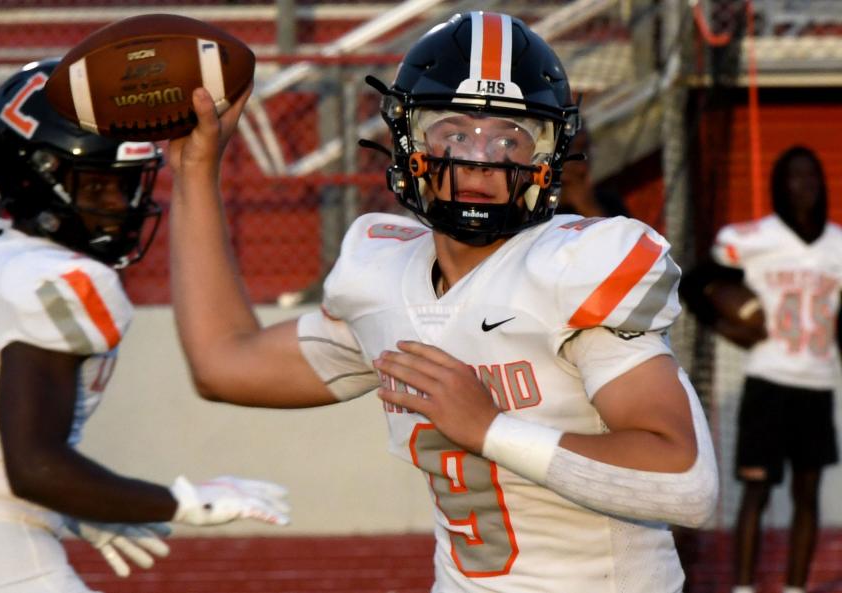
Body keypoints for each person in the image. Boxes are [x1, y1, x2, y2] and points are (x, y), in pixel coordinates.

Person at [168, 12, 718, 592]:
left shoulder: (571, 271)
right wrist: (195, 172)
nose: (478, 158)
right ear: (406, 141)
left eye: (509, 137)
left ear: (547, 155)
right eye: (453, 132)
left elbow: (685, 483)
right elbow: (224, 363)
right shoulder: (383, 279)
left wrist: (490, 430)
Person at [0, 59, 289, 593]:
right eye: (98, 187)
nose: (122, 205)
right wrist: (185, 502)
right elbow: (32, 465)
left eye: (126, 185)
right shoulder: (61, 282)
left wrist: (75, 504)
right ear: (35, 177)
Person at [680, 146, 841, 593]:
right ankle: (745, 588)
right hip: (769, 381)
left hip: (818, 382)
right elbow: (695, 283)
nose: (803, 185)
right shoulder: (753, 238)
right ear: (779, 184)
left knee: (806, 496)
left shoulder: (837, 245)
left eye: (811, 176)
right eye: (794, 176)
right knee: (757, 490)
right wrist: (728, 327)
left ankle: (794, 587)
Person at [556, 126, 630, 218]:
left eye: (585, 149)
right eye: (572, 151)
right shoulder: (542, 213)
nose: (582, 168)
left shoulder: (607, 202)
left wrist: (588, 208)